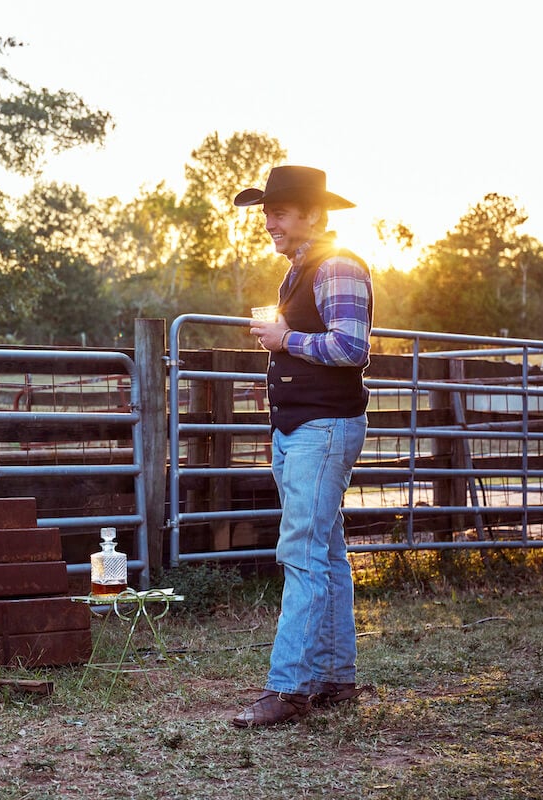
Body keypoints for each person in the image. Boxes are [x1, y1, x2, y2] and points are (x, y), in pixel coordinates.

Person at [232, 165, 373, 728]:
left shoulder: (337, 265)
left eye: (281, 211)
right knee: (326, 551)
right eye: (267, 211)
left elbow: (352, 347)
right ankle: (336, 677)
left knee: (301, 553)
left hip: (321, 426)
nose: (269, 221)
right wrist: (281, 356)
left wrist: (285, 339)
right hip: (303, 425)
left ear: (313, 214)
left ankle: (289, 688)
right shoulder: (299, 272)